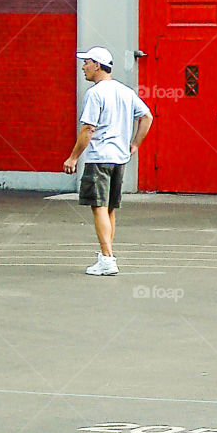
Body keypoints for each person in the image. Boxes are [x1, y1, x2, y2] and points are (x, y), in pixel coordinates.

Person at [63, 46, 153, 275]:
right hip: (119, 159)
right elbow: (147, 116)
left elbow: (88, 129)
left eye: (87, 62)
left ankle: (107, 258)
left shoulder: (95, 93)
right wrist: (135, 144)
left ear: (97, 65)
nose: (83, 67)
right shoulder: (125, 91)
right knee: (110, 208)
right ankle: (107, 254)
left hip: (99, 158)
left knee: (99, 207)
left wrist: (73, 157)